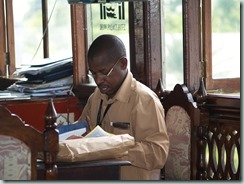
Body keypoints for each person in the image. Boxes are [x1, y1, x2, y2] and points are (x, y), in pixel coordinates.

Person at [78, 34, 169, 180]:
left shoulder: (144, 100)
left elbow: (158, 153)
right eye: (93, 74)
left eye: (104, 72)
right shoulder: (96, 97)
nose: (98, 80)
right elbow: (81, 131)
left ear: (123, 64)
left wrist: (113, 148)